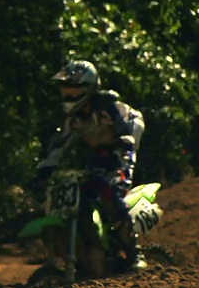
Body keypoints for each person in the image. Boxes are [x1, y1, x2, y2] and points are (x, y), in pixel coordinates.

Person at [32, 60, 147, 270]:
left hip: (120, 156)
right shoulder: (72, 118)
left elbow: (132, 123)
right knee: (80, 198)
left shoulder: (109, 106)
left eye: (74, 91)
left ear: (89, 89)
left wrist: (126, 140)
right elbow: (60, 144)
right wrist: (45, 167)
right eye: (66, 91)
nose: (69, 96)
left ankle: (134, 252)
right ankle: (89, 251)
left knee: (111, 192)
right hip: (96, 158)